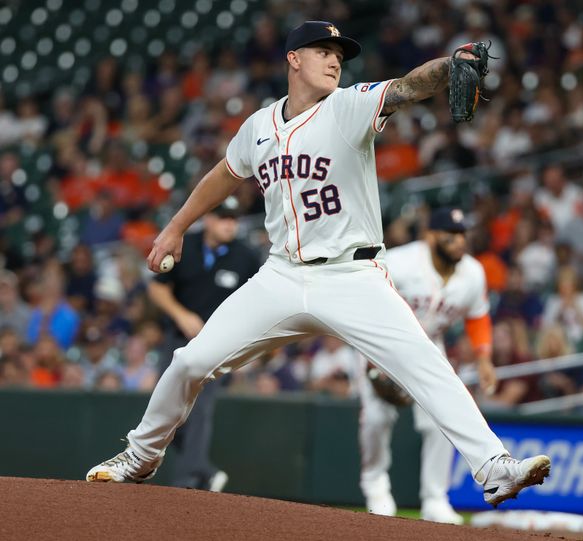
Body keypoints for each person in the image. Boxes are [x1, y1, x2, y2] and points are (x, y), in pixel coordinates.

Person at [86, 21, 551, 508]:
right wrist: (177, 226)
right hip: (282, 274)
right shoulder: (258, 127)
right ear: (293, 59)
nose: (335, 60)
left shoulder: (347, 107)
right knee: (190, 361)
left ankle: (493, 465)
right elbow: (226, 174)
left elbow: (409, 87)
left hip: (353, 275)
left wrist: (449, 66)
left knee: (425, 362)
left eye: (339, 53)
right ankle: (141, 455)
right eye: (323, 50)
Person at [359, 207, 497, 524]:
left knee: (442, 418)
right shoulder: (400, 262)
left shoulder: (473, 273)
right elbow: (365, 298)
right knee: (377, 419)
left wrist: (484, 357)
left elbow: (478, 316)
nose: (460, 241)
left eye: (463, 234)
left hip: (429, 344)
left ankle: (435, 499)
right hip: (382, 339)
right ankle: (376, 489)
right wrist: (370, 353)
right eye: (451, 234)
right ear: (431, 236)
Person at [146, 196, 260, 492]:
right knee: (169, 409)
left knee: (200, 409)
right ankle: (204, 471)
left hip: (218, 346)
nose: (229, 224)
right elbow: (157, 290)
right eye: (223, 217)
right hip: (177, 340)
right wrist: (181, 315)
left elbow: (256, 304)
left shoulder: (245, 256)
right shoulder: (185, 245)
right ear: (208, 219)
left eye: (234, 218)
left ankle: (187, 482)